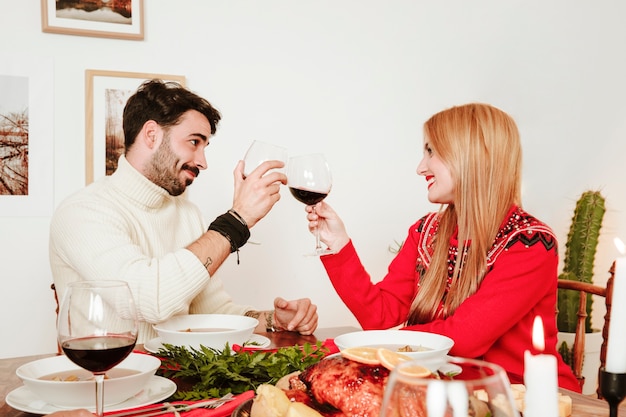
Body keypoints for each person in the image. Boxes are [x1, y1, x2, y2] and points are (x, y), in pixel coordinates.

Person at [304, 103, 581, 391]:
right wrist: (339, 245)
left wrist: (376, 345)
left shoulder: (531, 242)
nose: (420, 167)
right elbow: (380, 316)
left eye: (431, 151)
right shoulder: (426, 231)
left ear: (473, 156)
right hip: (449, 394)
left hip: (527, 398)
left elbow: (466, 338)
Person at [50, 79, 317, 343]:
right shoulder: (83, 212)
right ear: (152, 135)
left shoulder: (188, 214)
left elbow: (214, 312)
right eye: (194, 142)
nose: (202, 161)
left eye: (204, 146)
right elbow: (148, 300)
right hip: (105, 381)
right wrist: (237, 220)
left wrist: (273, 321)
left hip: (174, 381)